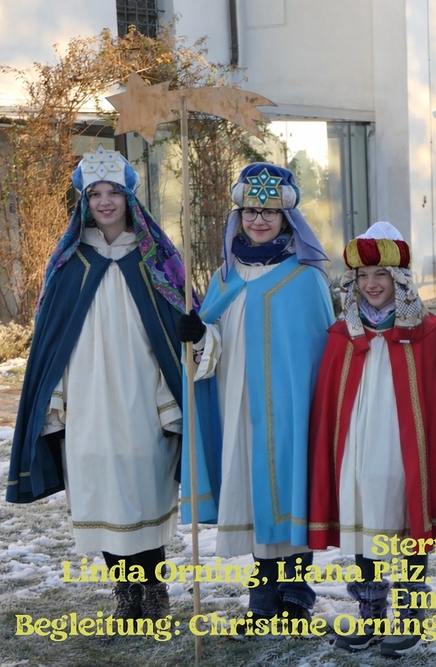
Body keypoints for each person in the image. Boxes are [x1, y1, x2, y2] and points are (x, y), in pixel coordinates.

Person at [7, 146, 192, 620]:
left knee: (143, 485)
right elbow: (52, 337)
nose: (105, 202)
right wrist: (56, 398)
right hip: (86, 396)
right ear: (84, 202)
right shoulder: (70, 262)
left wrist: (189, 338)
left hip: (143, 391)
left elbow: (180, 323)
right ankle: (125, 592)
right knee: (102, 487)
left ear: (130, 197)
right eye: (95, 194)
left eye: (114, 192)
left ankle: (154, 588)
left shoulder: (157, 259)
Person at [178, 162, 334, 631]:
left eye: (269, 212)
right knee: (251, 490)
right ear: (239, 216)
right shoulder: (225, 277)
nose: (259, 220)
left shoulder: (304, 277)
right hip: (236, 404)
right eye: (250, 211)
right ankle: (263, 595)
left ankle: (296, 594)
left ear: (286, 219)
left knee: (289, 486)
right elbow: (212, 346)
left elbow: (318, 352)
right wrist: (198, 335)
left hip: (289, 408)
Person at [308, 222, 436, 657]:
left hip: (405, 447)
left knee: (408, 518)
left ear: (399, 278)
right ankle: (370, 614)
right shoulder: (342, 334)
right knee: (364, 518)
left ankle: (410, 613)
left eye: (381, 274)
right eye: (363, 276)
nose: (371, 284)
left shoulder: (427, 331)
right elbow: (330, 401)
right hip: (358, 445)